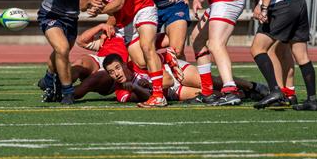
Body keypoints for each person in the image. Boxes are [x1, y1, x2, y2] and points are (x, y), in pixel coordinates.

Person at [80, 0, 166, 108]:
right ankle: (166, 55)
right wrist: (90, 0)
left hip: (143, 9)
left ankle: (158, 95)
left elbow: (118, 3)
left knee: (147, 46)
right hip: (125, 21)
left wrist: (98, 10)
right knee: (141, 61)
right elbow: (82, 5)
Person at [10, 0, 90, 105]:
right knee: (63, 48)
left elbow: (86, 5)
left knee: (61, 52)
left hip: (72, 19)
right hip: (51, 14)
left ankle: (48, 79)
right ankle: (67, 92)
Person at [103, 53, 269, 104]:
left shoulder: (137, 63)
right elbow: (146, 97)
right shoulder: (120, 92)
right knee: (205, 97)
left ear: (124, 64)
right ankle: (244, 94)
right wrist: (139, 89)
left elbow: (166, 79)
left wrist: (152, 82)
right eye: (111, 72)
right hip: (172, 92)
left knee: (211, 82)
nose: (116, 73)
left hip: (176, 73)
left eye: (117, 68)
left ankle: (254, 86)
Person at [72, 22, 128, 99]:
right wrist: (101, 26)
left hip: (115, 67)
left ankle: (65, 94)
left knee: (93, 79)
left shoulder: (135, 33)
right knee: (79, 63)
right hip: (100, 60)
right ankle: (62, 84)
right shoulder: (110, 32)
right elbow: (81, 41)